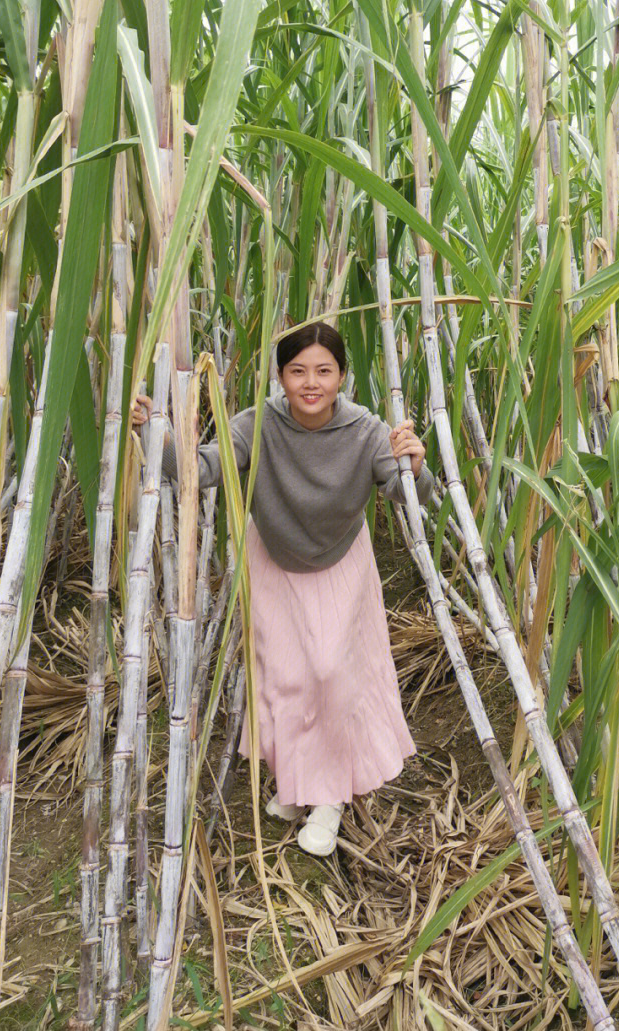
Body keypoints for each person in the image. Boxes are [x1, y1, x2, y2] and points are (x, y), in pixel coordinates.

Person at [132, 322, 432, 856]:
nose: (310, 383)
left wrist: (414, 462)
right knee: (287, 678)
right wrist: (152, 431)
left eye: (323, 371)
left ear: (342, 377)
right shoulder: (260, 423)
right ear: (279, 376)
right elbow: (201, 468)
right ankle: (299, 785)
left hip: (340, 561)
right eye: (297, 371)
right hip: (271, 559)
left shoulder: (364, 430)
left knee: (331, 675)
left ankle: (331, 798)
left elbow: (401, 490)